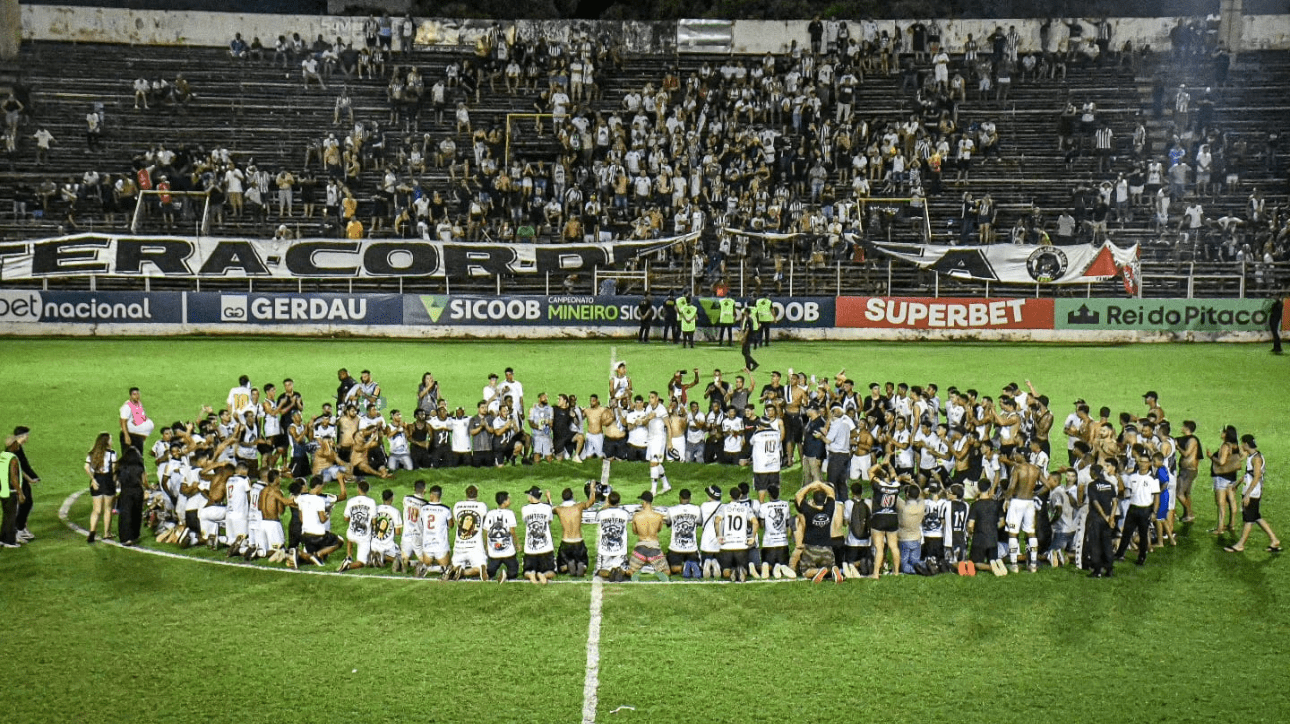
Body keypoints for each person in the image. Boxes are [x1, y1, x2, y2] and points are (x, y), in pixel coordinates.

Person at [1226, 436, 1282, 554]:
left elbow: (1256, 477)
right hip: (1252, 491)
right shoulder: (1253, 456)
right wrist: (1236, 484)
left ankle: (1240, 545)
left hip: (1253, 493)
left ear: (1246, 444)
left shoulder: (1256, 459)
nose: (1241, 446)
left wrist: (1247, 494)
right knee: (1256, 517)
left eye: (1242, 444)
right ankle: (1274, 540)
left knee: (1249, 520)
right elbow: (1248, 475)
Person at [791, 481, 844, 583]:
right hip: (827, 547)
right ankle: (831, 570)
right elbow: (831, 492)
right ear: (825, 500)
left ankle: (818, 571)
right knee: (829, 566)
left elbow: (798, 496)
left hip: (811, 547)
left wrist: (812, 485)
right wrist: (821, 484)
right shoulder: (829, 509)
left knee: (806, 571)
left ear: (813, 501)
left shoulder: (808, 511)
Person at [1085, 459, 1121, 578]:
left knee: (1095, 543)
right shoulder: (1109, 485)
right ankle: (1109, 569)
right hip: (1108, 519)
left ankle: (1097, 570)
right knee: (1107, 543)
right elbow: (1115, 502)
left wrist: (1104, 516)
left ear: (1093, 473)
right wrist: (1111, 517)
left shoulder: (1092, 485)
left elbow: (1095, 502)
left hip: (1096, 518)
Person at [627, 490, 670, 582]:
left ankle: (641, 572)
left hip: (640, 549)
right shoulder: (659, 517)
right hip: (654, 549)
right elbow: (658, 530)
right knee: (666, 571)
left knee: (630, 571)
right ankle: (652, 572)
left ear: (644, 502)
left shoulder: (636, 516)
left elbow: (635, 532)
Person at [448, 485, 489, 580]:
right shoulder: (482, 506)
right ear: (477, 494)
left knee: (454, 567)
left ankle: (457, 570)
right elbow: (485, 525)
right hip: (475, 548)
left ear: (466, 494)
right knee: (481, 568)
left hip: (459, 547)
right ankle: (464, 572)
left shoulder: (457, 506)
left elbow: (457, 521)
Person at [556, 484, 597, 576]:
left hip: (566, 542)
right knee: (584, 561)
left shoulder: (559, 509)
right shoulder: (579, 506)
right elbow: (591, 501)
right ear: (572, 496)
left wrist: (548, 498)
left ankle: (567, 566)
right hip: (578, 542)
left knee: (560, 567)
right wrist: (592, 490)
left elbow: (548, 509)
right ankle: (581, 566)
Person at [84, 432, 117, 544]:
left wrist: (93, 479)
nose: (112, 442)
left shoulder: (92, 453)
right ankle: (106, 533)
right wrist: (115, 482)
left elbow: (86, 467)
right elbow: (113, 470)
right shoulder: (112, 454)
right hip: (108, 481)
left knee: (96, 510)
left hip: (96, 480)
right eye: (110, 440)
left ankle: (92, 531)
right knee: (107, 509)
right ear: (106, 442)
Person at [338, 479, 376, 572]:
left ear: (358, 489)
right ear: (367, 490)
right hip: (364, 537)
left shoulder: (351, 501)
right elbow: (374, 521)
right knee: (362, 563)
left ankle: (349, 556)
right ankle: (348, 566)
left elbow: (346, 518)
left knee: (349, 536)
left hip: (351, 534)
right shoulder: (371, 502)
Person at [520, 487, 556, 584]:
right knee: (552, 571)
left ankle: (531, 574)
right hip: (546, 549)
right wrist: (549, 499)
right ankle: (543, 575)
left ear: (531, 497)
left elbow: (525, 521)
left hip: (530, 550)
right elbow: (549, 521)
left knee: (526, 571)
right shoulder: (547, 508)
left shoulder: (525, 509)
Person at [114, 447, 148, 546]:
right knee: (136, 513)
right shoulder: (140, 466)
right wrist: (149, 487)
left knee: (125, 514)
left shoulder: (120, 466)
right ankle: (135, 536)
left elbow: (115, 479)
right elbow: (144, 481)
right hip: (137, 491)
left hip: (125, 491)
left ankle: (125, 538)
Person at [484, 491, 519, 583]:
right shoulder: (510, 513)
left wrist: (486, 546)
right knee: (514, 572)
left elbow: (486, 531)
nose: (510, 501)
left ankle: (487, 572)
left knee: (491, 572)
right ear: (504, 501)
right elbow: (512, 531)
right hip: (508, 552)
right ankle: (505, 575)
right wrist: (517, 544)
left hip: (494, 551)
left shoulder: (490, 513)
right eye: (509, 499)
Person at [665, 489, 702, 578]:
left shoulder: (671, 510)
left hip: (676, 549)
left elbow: (668, 523)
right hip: (692, 549)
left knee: (673, 569)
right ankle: (690, 567)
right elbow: (699, 523)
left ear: (680, 497)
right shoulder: (697, 509)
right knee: (696, 564)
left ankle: (682, 568)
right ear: (690, 498)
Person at [9, 426, 37, 542]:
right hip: (16, 481)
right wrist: (30, 479)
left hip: (21, 480)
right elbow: (18, 468)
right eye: (26, 435)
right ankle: (17, 531)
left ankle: (21, 528)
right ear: (21, 436)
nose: (28, 437)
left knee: (27, 503)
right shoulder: (14, 449)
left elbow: (24, 465)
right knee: (24, 503)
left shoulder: (18, 447)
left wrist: (33, 476)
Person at [596, 491, 631, 581]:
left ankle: (609, 573)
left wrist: (604, 507)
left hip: (605, 551)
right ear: (619, 502)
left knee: (599, 571)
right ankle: (619, 572)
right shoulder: (625, 514)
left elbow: (597, 516)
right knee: (625, 567)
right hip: (620, 550)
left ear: (608, 501)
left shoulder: (601, 514)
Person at [0, 436, 26, 549]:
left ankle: (2, 538)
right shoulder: (13, 459)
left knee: (6, 516)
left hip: (2, 490)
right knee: (11, 517)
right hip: (11, 491)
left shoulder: (2, 455)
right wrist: (20, 493)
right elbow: (14, 479)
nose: (18, 446)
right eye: (16, 444)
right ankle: (10, 541)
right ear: (13, 445)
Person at [119, 387, 154, 454]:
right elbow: (123, 421)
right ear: (130, 396)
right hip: (130, 435)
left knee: (138, 455)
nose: (137, 396)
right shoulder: (127, 406)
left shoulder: (138, 404)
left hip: (138, 436)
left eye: (138, 394)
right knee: (128, 455)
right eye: (134, 394)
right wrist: (126, 436)